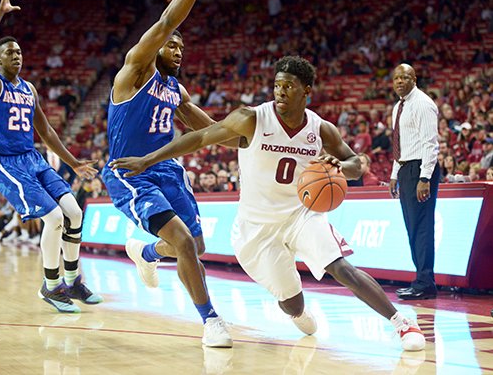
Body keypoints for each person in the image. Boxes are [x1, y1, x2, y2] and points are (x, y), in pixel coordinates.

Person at [110, 56, 426, 352]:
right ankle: (297, 312)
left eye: (288, 86)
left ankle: (401, 323)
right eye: (277, 85)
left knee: (340, 267)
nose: (280, 92)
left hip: (303, 214)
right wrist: (148, 159)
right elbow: (200, 137)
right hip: (257, 230)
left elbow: (357, 163)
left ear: (307, 91)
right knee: (293, 305)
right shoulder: (251, 118)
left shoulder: (320, 129)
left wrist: (342, 167)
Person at [101, 0, 232, 348]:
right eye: (171, 45)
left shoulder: (176, 89)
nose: (177, 51)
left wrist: (242, 140)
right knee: (184, 243)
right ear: (155, 47)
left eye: (182, 48)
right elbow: (166, 20)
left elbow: (200, 122)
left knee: (197, 245)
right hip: (131, 172)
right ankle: (211, 321)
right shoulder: (134, 73)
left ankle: (146, 253)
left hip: (168, 170)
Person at [0, 0, 102, 313]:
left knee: (74, 211)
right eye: (10, 53)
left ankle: (72, 280)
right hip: (4, 161)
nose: (17, 56)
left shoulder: (29, 89)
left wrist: (72, 162)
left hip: (32, 158)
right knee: (55, 217)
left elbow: (46, 131)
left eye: (19, 52)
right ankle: (51, 284)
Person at [389, 64, 440, 300]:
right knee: (413, 226)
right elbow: (400, 143)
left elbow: (430, 143)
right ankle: (421, 279)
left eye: (405, 77)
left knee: (421, 227)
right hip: (405, 168)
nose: (400, 81)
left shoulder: (422, 103)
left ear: (414, 79)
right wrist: (393, 174)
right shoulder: (398, 107)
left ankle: (425, 282)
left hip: (420, 168)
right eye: (397, 78)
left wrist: (424, 177)